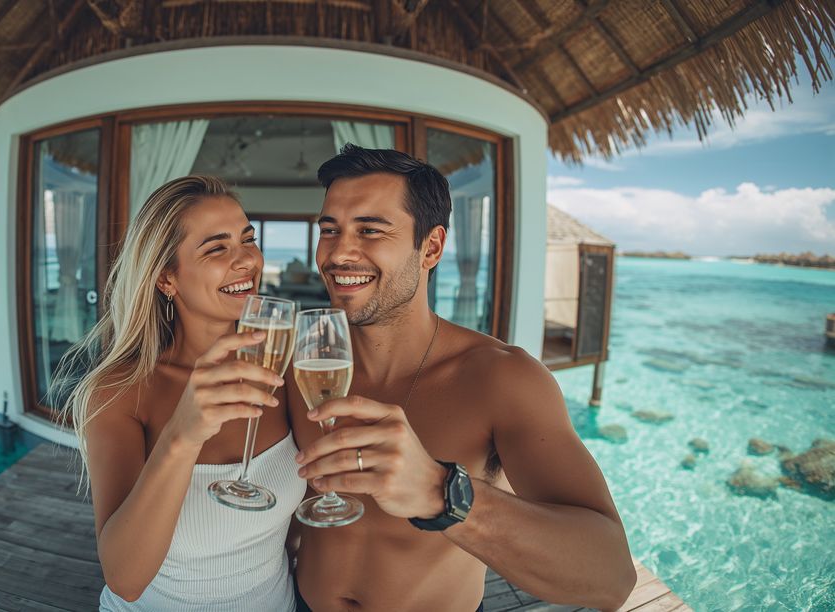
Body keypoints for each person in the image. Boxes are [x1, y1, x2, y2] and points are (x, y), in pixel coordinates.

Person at [287, 145, 636, 611]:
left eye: (370, 230)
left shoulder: (502, 379)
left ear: (431, 247)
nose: (338, 252)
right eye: (329, 230)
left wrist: (440, 492)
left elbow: (611, 577)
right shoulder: (304, 366)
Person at [52, 176, 304, 611]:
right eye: (217, 248)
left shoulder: (285, 367)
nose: (247, 259)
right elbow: (125, 579)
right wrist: (181, 436)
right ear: (167, 278)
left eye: (248, 239)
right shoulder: (119, 393)